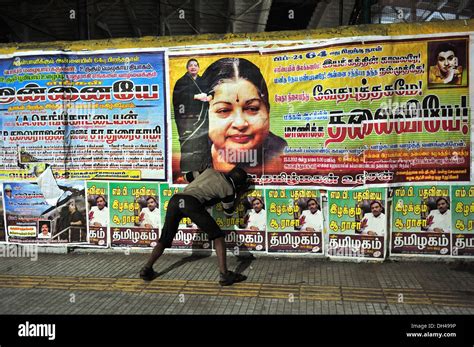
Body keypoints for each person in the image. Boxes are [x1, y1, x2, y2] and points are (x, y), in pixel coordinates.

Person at [140, 166, 251, 286]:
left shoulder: (209, 171)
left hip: (176, 200)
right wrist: (239, 195)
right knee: (218, 236)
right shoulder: (229, 189)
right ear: (239, 184)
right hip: (191, 203)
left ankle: (146, 269)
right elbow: (228, 213)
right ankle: (225, 275)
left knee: (165, 238)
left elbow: (187, 176)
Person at [201, 58, 287, 175]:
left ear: (268, 110)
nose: (240, 123)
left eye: (252, 108)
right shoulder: (193, 157)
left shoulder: (283, 155)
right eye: (224, 110)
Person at [173, 58, 211, 173]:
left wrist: (209, 97)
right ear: (187, 68)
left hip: (202, 118)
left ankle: (202, 169)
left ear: (198, 68)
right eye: (191, 65)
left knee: (202, 143)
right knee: (188, 143)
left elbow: (211, 92)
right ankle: (187, 171)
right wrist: (195, 97)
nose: (193, 67)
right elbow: (178, 97)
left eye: (195, 65)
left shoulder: (203, 81)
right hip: (187, 120)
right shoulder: (181, 82)